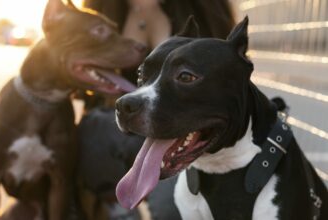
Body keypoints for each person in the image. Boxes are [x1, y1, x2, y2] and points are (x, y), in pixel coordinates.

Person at [77, 1, 236, 219]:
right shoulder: (101, 8)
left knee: (171, 206)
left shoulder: (204, 8)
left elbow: (228, 83)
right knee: (93, 129)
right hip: (118, 128)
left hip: (182, 132)